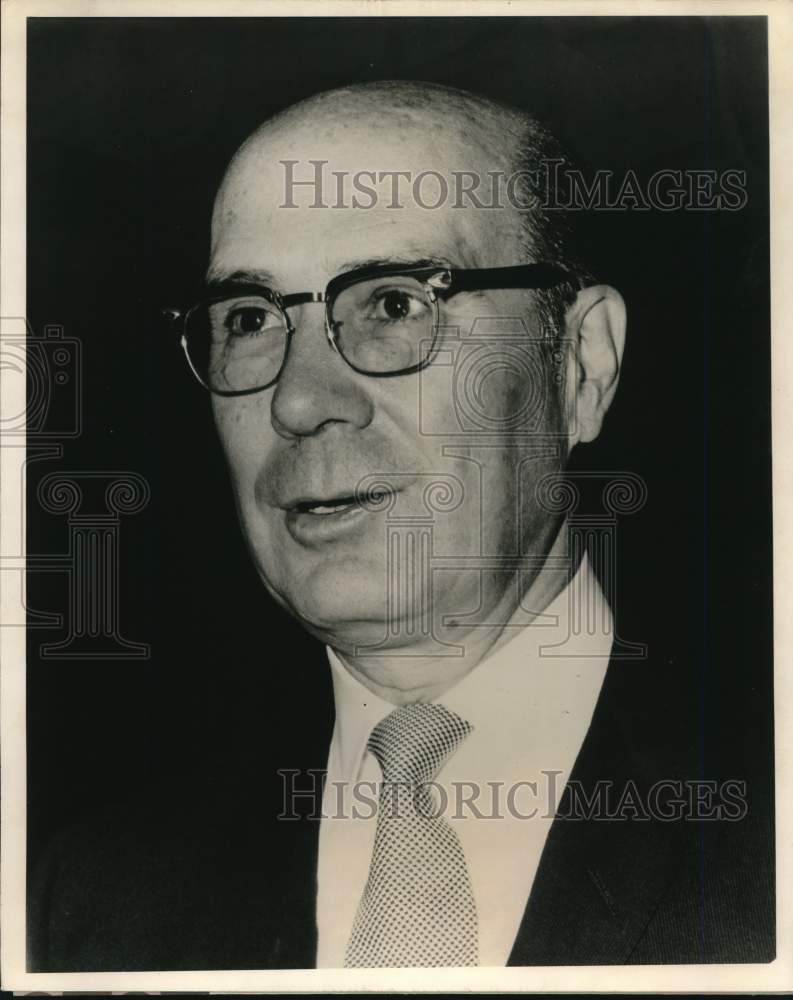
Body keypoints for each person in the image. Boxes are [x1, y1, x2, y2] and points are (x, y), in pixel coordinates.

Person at [29, 80, 773, 970]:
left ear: (579, 365)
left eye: (392, 303)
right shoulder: (93, 896)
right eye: (252, 320)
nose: (299, 400)